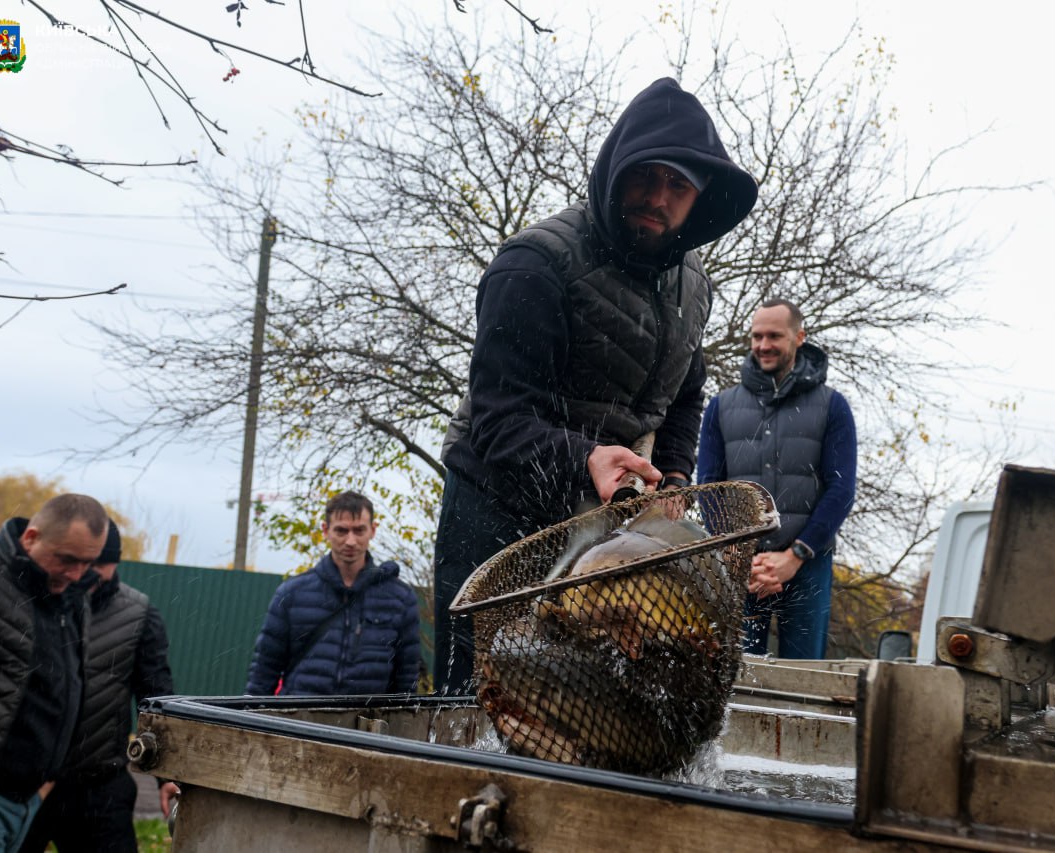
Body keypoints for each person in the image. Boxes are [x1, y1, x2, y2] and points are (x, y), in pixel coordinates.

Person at [433, 76, 759, 694]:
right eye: (646, 174)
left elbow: (686, 395)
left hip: (598, 520)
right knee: (475, 702)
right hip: (495, 512)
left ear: (700, 199)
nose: (656, 197)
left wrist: (676, 479)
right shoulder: (534, 264)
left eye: (678, 186)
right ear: (616, 169)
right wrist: (585, 458)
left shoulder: (694, 287)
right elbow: (498, 420)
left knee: (589, 699)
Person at [697, 299, 857, 659]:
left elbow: (842, 490)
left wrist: (795, 556)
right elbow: (709, 488)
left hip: (808, 563)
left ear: (799, 337)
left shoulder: (833, 406)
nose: (763, 345)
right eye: (756, 336)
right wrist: (737, 555)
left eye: (774, 335)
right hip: (740, 568)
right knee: (729, 677)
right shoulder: (720, 407)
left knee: (802, 683)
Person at [18, 520, 178, 853]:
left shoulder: (138, 614)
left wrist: (168, 775)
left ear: (114, 563)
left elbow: (157, 698)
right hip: (26, 782)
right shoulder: (30, 601)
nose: (82, 577)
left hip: (98, 786)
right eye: (77, 564)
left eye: (95, 567)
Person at [0, 494, 108, 853]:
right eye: (67, 559)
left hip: (29, 796)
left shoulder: (72, 593)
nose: (76, 573)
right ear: (31, 537)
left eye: (87, 563)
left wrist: (48, 780)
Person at [244, 491, 421, 696]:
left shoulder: (400, 598)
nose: (350, 541)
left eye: (359, 530)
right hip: (296, 721)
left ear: (373, 530)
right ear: (325, 530)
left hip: (366, 723)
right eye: (341, 531)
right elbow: (264, 670)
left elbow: (406, 679)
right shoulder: (292, 594)